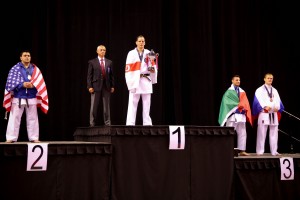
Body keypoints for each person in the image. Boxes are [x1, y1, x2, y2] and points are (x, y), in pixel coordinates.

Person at [3, 50, 49, 143]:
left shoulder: (35, 69)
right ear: (21, 57)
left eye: (29, 55)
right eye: (25, 55)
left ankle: (34, 138)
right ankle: (11, 138)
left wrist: (33, 85)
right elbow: (10, 82)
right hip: (18, 96)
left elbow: (40, 82)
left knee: (33, 118)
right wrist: (22, 84)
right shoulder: (15, 68)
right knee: (14, 118)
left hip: (31, 96)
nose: (27, 57)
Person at [125, 35, 158, 125]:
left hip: (146, 79)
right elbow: (128, 69)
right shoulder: (131, 53)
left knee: (147, 103)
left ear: (145, 43)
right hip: (135, 80)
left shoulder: (150, 53)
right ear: (136, 42)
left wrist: (151, 66)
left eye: (143, 41)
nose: (141, 43)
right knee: (132, 103)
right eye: (139, 41)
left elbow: (154, 68)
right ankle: (130, 123)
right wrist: (129, 82)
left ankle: (147, 123)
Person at [218, 75, 252, 156]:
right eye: (236, 80)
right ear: (232, 81)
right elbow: (226, 103)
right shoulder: (228, 92)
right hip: (232, 116)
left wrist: (244, 107)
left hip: (241, 115)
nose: (238, 81)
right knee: (229, 133)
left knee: (243, 133)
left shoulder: (242, 91)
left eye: (239, 80)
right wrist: (237, 106)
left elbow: (246, 102)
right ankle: (226, 149)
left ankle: (242, 150)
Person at [252, 73, 284, 156]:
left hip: (273, 113)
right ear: (264, 79)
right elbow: (258, 100)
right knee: (261, 133)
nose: (270, 79)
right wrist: (264, 106)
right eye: (268, 78)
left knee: (274, 133)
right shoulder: (259, 90)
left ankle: (274, 151)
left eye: (271, 78)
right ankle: (260, 151)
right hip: (264, 113)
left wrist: (277, 107)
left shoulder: (275, 90)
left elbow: (278, 100)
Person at [87, 45, 114, 126]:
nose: (103, 51)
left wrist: (112, 86)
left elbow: (111, 75)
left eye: (104, 50)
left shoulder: (109, 62)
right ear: (97, 51)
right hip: (95, 86)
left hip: (106, 86)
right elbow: (89, 76)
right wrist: (90, 86)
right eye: (101, 50)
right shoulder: (92, 62)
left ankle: (107, 123)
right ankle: (92, 123)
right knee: (94, 106)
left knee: (106, 107)